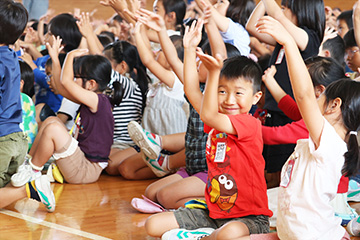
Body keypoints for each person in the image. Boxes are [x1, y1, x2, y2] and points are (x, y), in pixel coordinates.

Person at [145, 22, 272, 239]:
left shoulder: (249, 124)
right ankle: (208, 233)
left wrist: (214, 73)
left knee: (228, 234)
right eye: (222, 92)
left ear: (256, 98)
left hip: (249, 218)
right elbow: (192, 90)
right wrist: (188, 49)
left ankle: (205, 237)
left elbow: (208, 114)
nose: (229, 100)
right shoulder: (217, 123)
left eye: (238, 93)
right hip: (213, 212)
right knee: (152, 225)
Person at [251, 13, 360, 240]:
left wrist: (289, 43)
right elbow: (296, 103)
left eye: (319, 96)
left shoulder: (329, 141)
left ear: (333, 106)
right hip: (295, 231)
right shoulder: (326, 138)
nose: (312, 99)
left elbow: (303, 96)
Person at [10, 36, 122, 186]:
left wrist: (69, 56)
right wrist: (55, 58)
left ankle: (33, 171)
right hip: (80, 162)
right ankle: (28, 163)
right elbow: (61, 87)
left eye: (77, 77)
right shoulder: (91, 99)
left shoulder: (99, 101)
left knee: (54, 128)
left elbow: (65, 82)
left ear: (91, 84)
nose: (73, 80)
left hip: (86, 169)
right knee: (51, 121)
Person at [246, 0, 325, 188]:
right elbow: (251, 25)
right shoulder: (282, 40)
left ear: (302, 10)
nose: (280, 11)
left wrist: (272, 7)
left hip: (292, 116)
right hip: (275, 110)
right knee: (270, 173)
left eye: (285, 7)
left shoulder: (309, 38)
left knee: (282, 176)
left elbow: (279, 18)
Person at [0, 0, 54, 213]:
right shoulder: (12, 55)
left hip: (3, 139)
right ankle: (23, 182)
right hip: (16, 138)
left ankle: (30, 188)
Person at [19, 60, 38, 151]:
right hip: (27, 147)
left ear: (20, 84)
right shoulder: (28, 100)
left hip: (17, 146)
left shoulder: (19, 98)